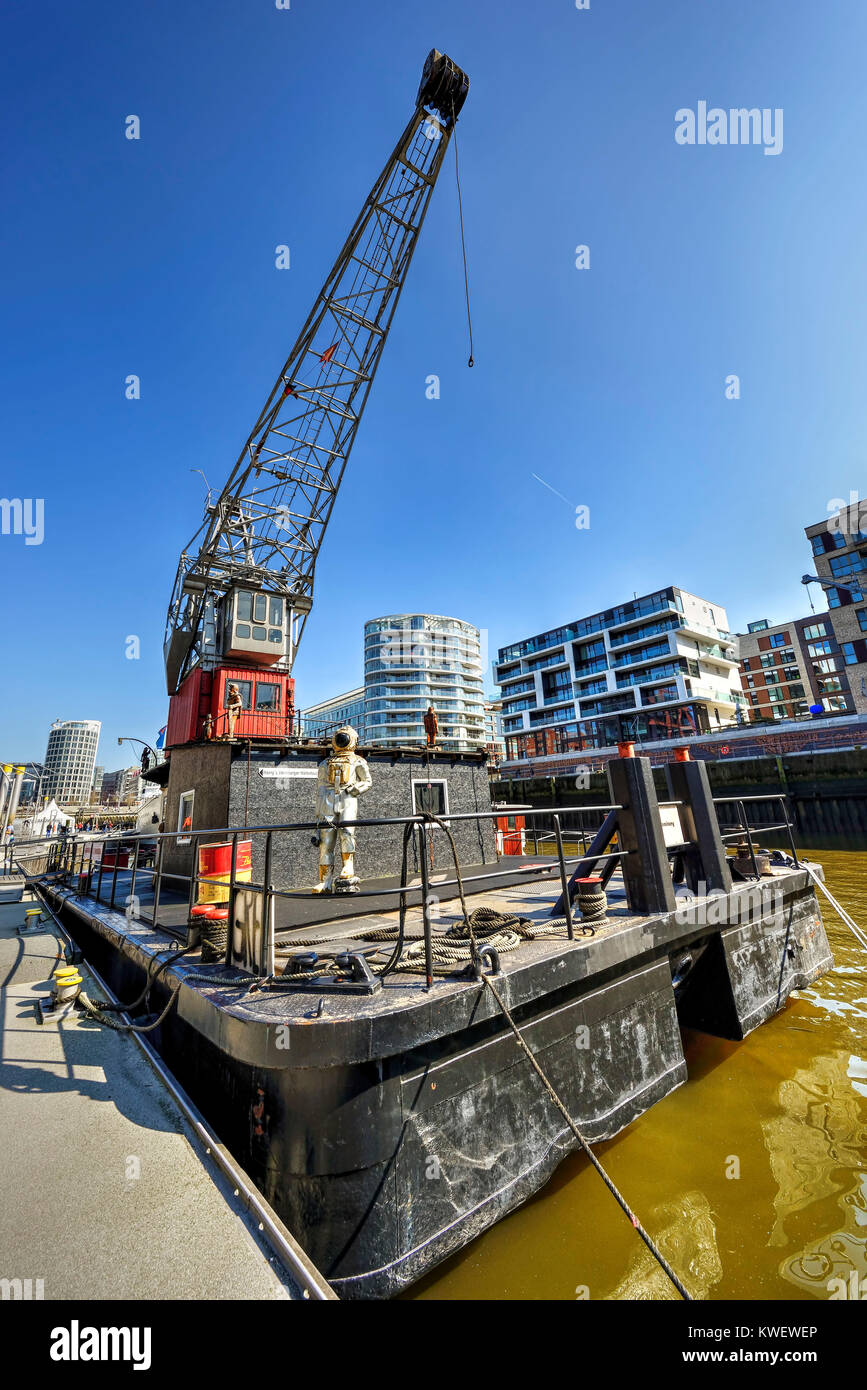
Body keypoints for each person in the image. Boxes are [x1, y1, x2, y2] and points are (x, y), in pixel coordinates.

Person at [312, 727, 372, 894]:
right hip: (327, 800)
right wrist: (318, 815)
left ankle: (348, 867)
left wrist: (355, 789)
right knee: (326, 841)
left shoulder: (357, 761)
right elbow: (321, 787)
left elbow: (367, 781)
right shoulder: (326, 763)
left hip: (347, 797)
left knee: (347, 832)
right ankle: (325, 881)